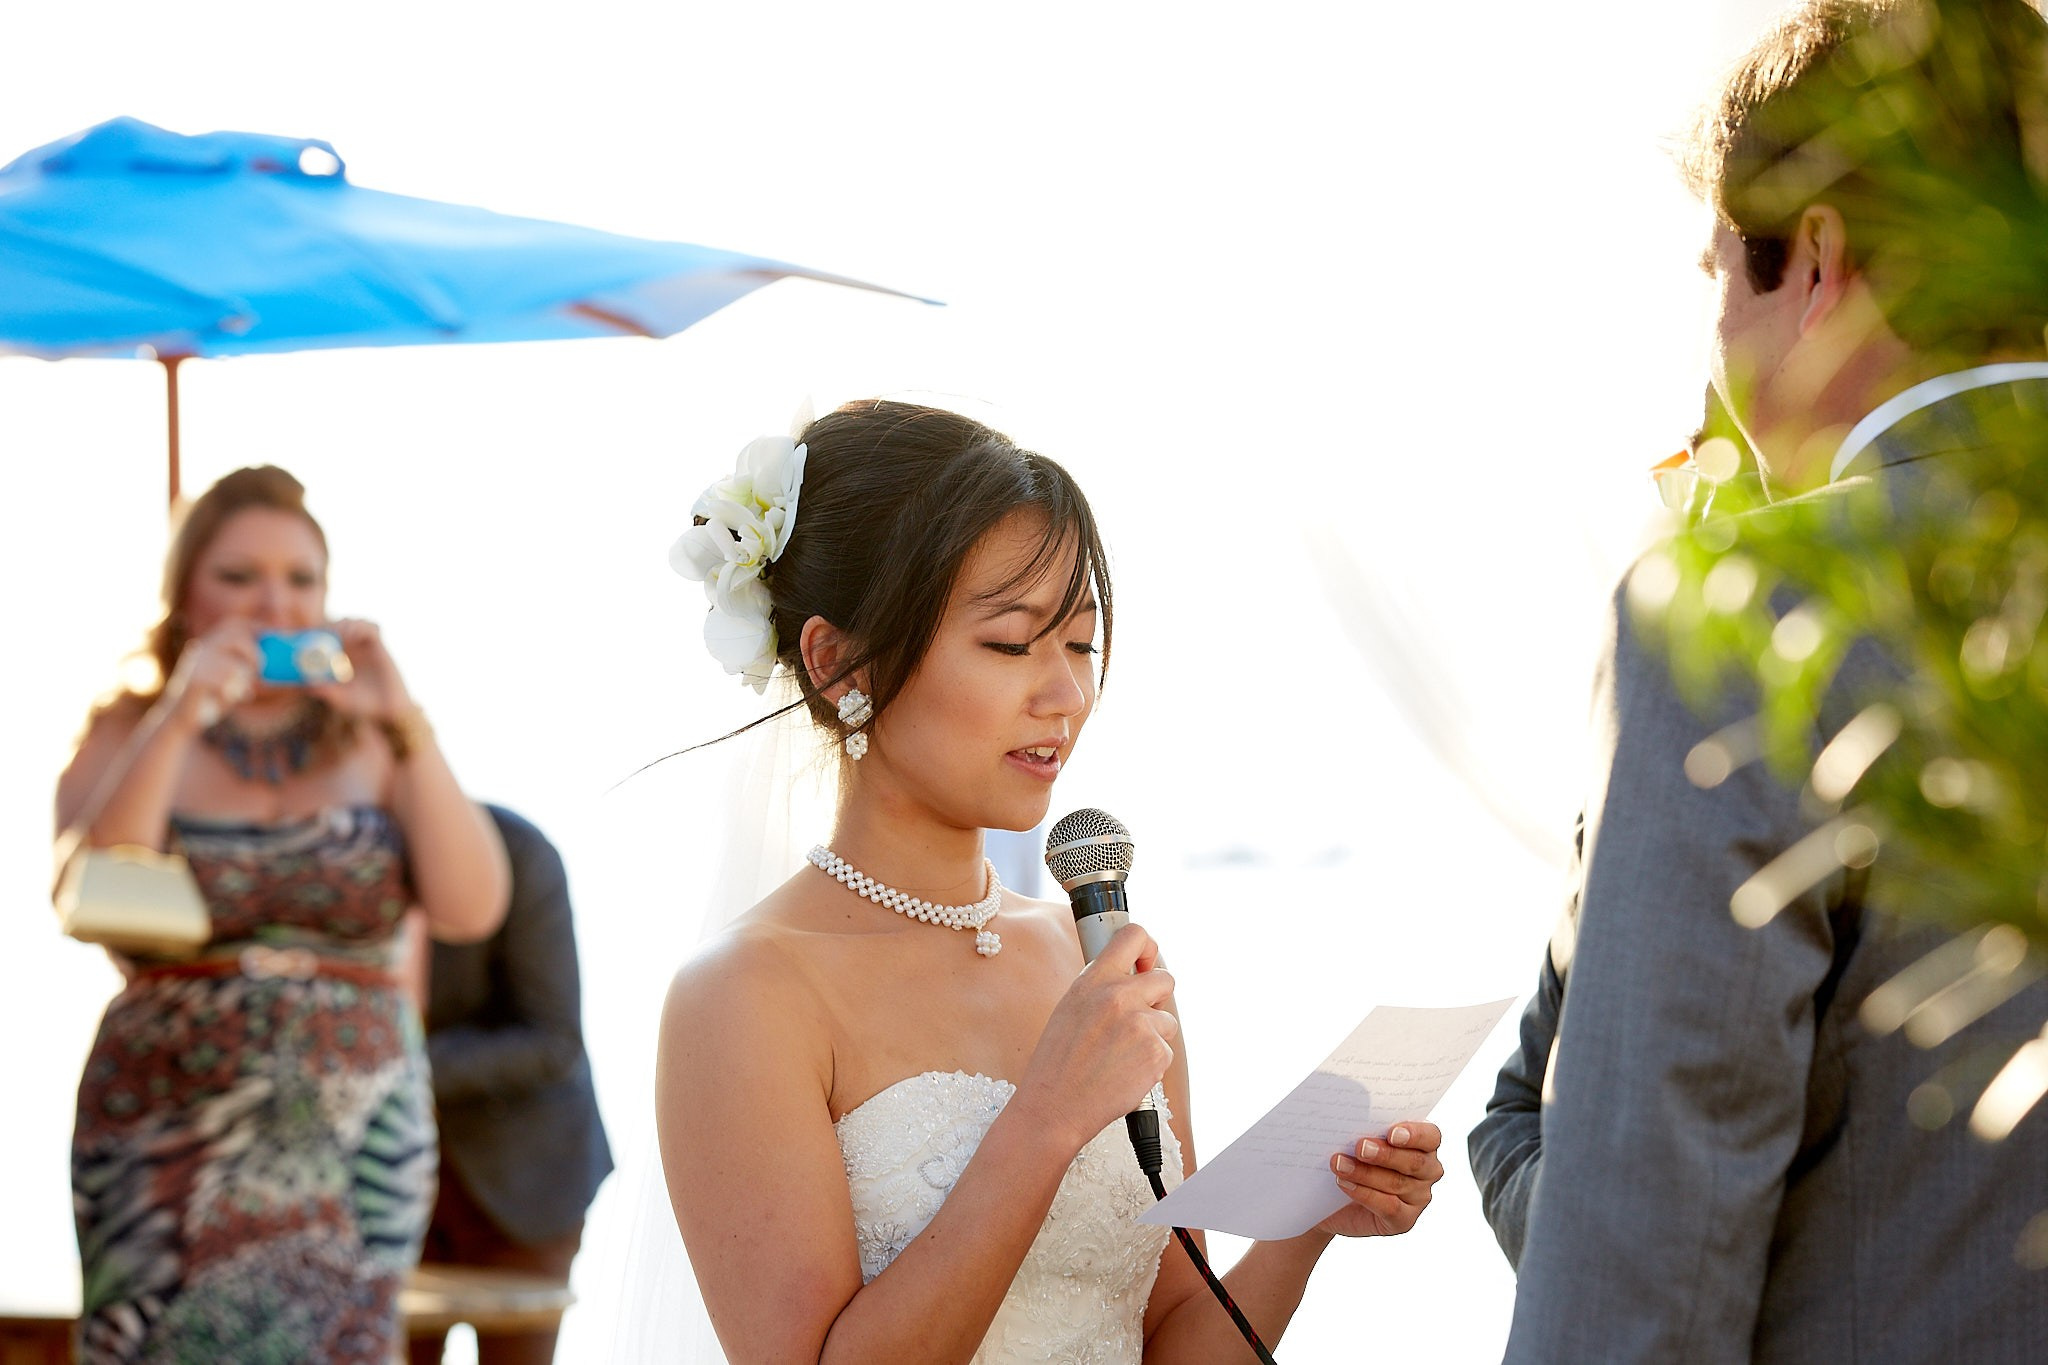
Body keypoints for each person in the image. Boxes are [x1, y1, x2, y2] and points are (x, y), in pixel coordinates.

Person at [653, 401, 1445, 1364]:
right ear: (838, 660)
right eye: (1010, 642)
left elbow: (1170, 1341)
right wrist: (1045, 1119)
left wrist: (1309, 1219)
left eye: (1079, 643)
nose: (1065, 695)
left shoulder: (1098, 958)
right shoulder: (743, 995)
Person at [1492, 1, 2048, 1357]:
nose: (1723, 360)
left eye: (1720, 286)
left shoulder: (1762, 611)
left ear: (1816, 256)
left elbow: (1645, 1257)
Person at [57, 465, 510, 1365]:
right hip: (162, 1119)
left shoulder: (373, 737)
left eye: (301, 577)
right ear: (185, 592)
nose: (276, 599)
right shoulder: (129, 726)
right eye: (240, 575)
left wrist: (404, 717)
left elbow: (472, 906)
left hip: (355, 1129)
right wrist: (183, 711)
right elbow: (96, 892)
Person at [410, 803, 613, 1365]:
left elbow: (553, 1042)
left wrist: (392, 1068)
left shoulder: (517, 851)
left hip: (525, 1181)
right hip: (384, 1185)